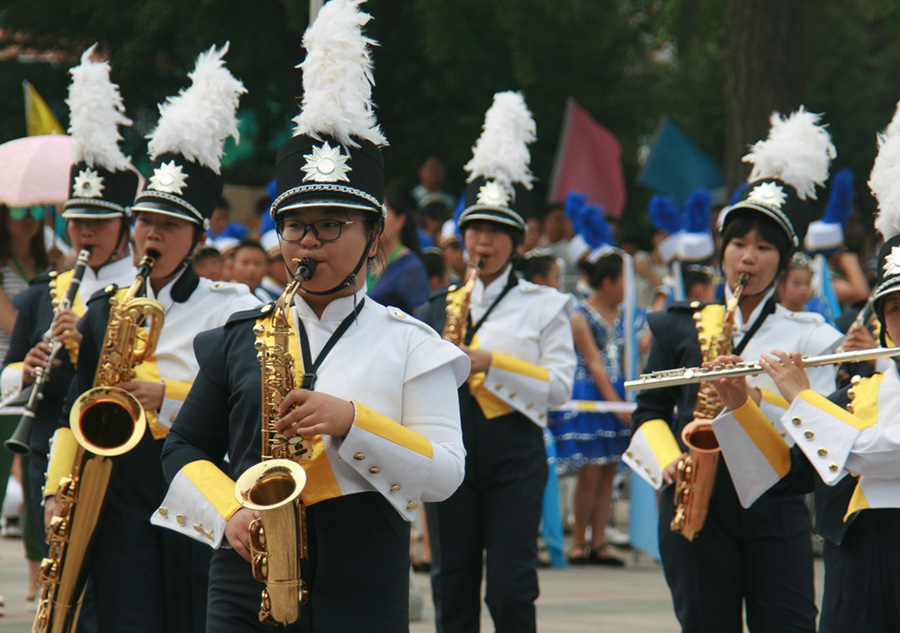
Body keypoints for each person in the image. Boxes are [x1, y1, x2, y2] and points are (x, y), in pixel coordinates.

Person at [155, 4, 468, 630]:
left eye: (332, 227)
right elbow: (185, 445)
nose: (309, 243)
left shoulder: (412, 344)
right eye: (295, 227)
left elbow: (445, 473)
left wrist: (352, 421)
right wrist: (228, 511)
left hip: (365, 575)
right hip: (246, 573)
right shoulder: (239, 337)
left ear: (373, 236)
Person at [40, 45, 257, 633]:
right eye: (144, 222)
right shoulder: (105, 307)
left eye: (167, 225)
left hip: (195, 480)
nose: (150, 235)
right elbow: (71, 409)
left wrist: (170, 395)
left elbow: (247, 406)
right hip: (114, 487)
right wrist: (56, 490)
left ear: (199, 234)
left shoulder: (233, 310)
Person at [623, 108, 844, 633]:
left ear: (784, 260)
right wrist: (670, 459)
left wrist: (756, 397)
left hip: (777, 503)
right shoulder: (681, 326)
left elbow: (823, 430)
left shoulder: (812, 335)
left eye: (764, 248)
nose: (748, 258)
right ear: (723, 251)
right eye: (739, 244)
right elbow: (649, 411)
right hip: (695, 498)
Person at [709, 111, 900, 633]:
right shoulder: (859, 393)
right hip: (855, 567)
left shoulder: (830, 391)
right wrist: (741, 405)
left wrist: (797, 397)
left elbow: (875, 453)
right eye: (898, 311)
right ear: (884, 325)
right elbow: (787, 475)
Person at [419, 91, 576, 633]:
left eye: (494, 232)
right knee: (451, 582)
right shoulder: (436, 307)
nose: (481, 242)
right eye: (473, 231)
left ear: (516, 240)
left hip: (514, 450)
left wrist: (489, 361)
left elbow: (559, 389)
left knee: (511, 588)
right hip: (449, 447)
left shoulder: (546, 305)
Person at [550, 250, 633, 567]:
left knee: (609, 471)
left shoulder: (626, 315)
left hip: (619, 391)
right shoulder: (580, 315)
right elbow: (594, 362)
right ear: (609, 282)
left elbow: (632, 352)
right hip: (593, 394)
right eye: (626, 281)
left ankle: (599, 541)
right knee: (589, 471)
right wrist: (615, 401)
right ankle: (579, 541)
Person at [367, 191, 430, 314]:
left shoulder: (410, 267)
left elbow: (422, 316)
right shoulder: (367, 261)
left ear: (400, 220)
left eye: (383, 214)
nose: (376, 221)